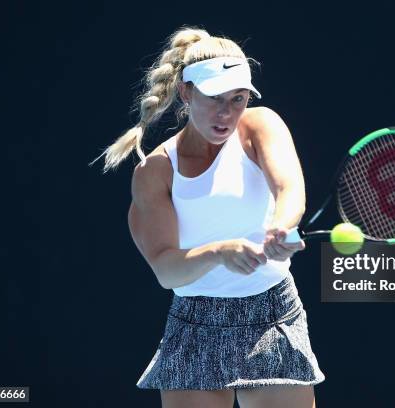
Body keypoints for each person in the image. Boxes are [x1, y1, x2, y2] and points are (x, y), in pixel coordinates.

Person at [90, 26, 325, 408]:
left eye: (238, 98)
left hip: (273, 312)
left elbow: (289, 189)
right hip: (195, 324)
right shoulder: (155, 172)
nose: (226, 113)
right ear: (186, 91)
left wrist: (281, 226)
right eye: (215, 98)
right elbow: (167, 271)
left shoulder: (260, 125)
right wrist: (220, 251)